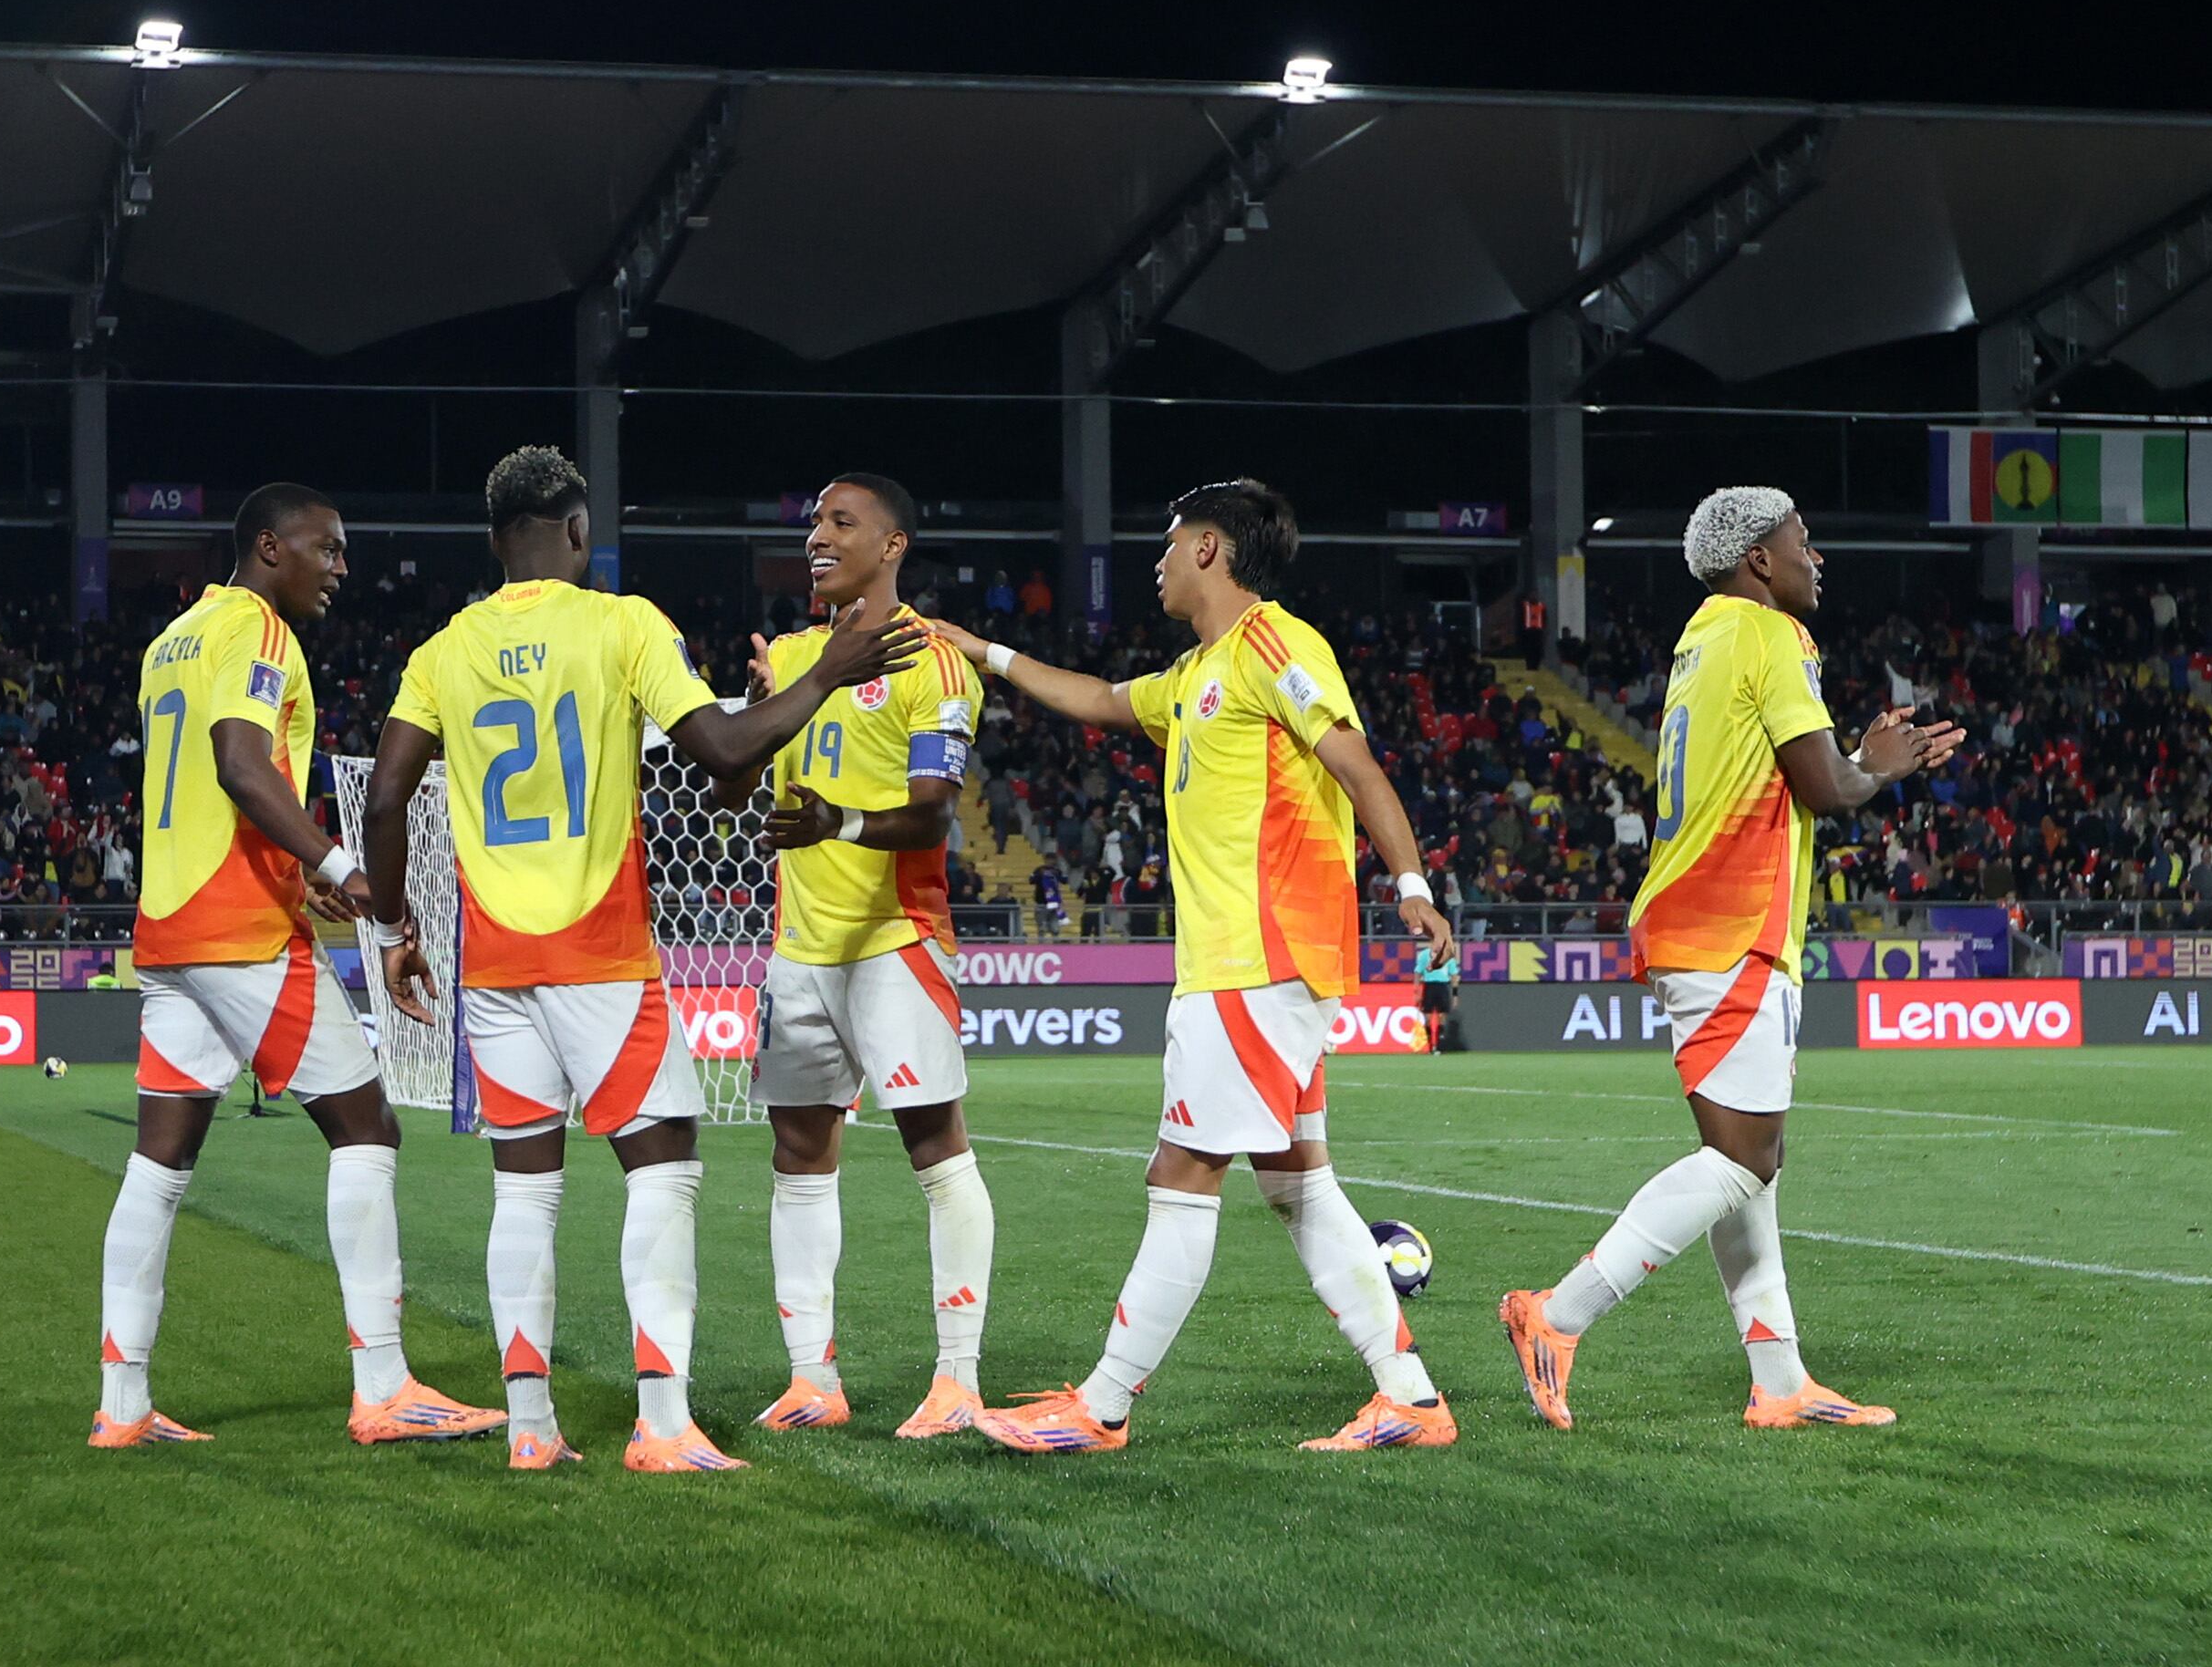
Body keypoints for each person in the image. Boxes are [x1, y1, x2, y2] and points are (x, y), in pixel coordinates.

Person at [363, 447, 922, 1472]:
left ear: (497, 542)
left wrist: (396, 932)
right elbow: (719, 748)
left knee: (523, 1192)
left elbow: (388, 794)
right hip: (603, 958)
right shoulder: (624, 624)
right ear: (580, 533)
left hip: (492, 966)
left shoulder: (445, 648)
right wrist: (830, 672)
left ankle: (532, 1431)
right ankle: (662, 1424)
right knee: (662, 1176)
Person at [924, 478, 1462, 1453]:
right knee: (1300, 1180)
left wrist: (1412, 880)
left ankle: (1104, 1403)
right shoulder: (1197, 672)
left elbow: (1355, 761)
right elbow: (1094, 699)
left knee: (1182, 1170)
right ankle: (1411, 1398)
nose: (1158, 560)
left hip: (1257, 959)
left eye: (1170, 543)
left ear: (1210, 548)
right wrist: (988, 653)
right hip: (1242, 963)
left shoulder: (1276, 646)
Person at [1498, 488, 1963, 1433]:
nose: (1816, 555)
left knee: (1756, 1161)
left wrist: (1865, 761)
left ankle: (1781, 1379)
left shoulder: (1703, 637)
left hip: (1700, 918)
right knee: (1743, 1158)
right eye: (1802, 539)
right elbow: (1828, 785)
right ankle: (1558, 1313)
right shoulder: (1770, 635)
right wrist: (1881, 762)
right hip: (1730, 924)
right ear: (1759, 558)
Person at [91, 483, 504, 1450]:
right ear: (272, 546)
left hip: (167, 930)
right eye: (330, 546)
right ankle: (385, 1384)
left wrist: (296, 869)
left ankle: (122, 1403)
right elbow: (242, 763)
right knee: (367, 1126)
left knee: (159, 1162)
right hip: (240, 932)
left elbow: (202, 784)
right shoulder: (262, 634)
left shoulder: (172, 639)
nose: (342, 566)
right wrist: (340, 865)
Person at [707, 472, 997, 1441]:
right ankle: (811, 1377)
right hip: (799, 948)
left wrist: (841, 817)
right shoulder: (794, 655)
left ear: (894, 545)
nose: (819, 538)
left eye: (843, 523)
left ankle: (957, 1380)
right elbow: (731, 792)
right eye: (814, 524)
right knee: (799, 1154)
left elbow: (933, 810)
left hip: (895, 941)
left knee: (935, 1147)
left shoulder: (936, 661)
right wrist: (755, 724)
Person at [1415, 938, 1461, 1051]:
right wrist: (1416, 992)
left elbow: (1454, 975)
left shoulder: (1448, 957)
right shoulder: (1424, 955)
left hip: (1443, 986)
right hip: (1429, 986)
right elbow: (1418, 972)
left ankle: (1440, 1044)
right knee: (1428, 1017)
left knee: (1441, 1016)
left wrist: (1455, 995)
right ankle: (1431, 1044)